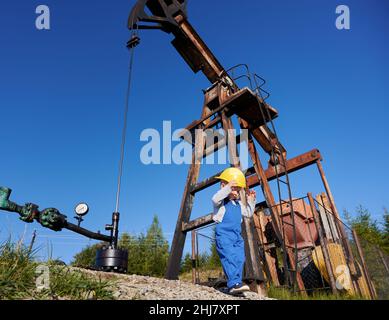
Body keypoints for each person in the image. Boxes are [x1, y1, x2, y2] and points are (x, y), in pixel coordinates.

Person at [212, 167, 256, 294]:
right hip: (224, 235)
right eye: (234, 189)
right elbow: (215, 199)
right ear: (223, 186)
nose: (236, 193)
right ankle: (234, 284)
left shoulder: (238, 205)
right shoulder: (220, 202)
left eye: (237, 190)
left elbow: (248, 213)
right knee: (229, 257)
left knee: (239, 258)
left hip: (237, 236)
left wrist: (251, 201)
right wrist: (228, 188)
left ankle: (236, 283)